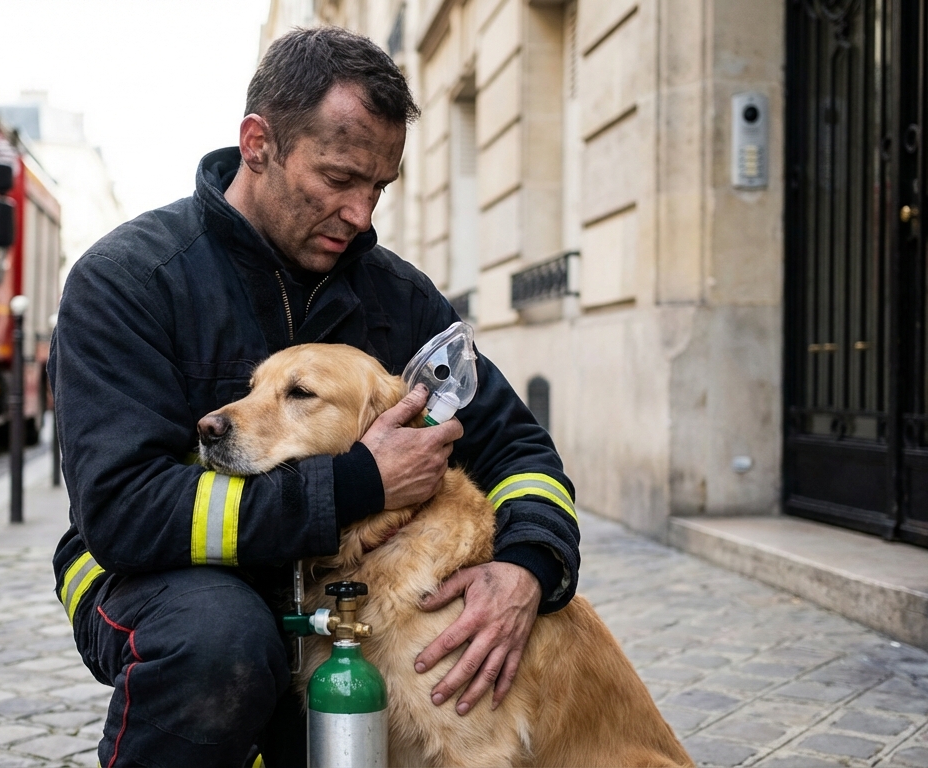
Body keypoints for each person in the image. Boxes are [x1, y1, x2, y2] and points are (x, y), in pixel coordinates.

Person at [50, 27, 579, 768]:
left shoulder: (400, 298)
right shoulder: (130, 282)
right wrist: (356, 484)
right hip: (151, 579)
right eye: (338, 179)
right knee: (222, 643)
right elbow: (125, 510)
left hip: (339, 591)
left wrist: (527, 564)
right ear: (258, 143)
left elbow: (518, 450)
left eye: (379, 188)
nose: (361, 214)